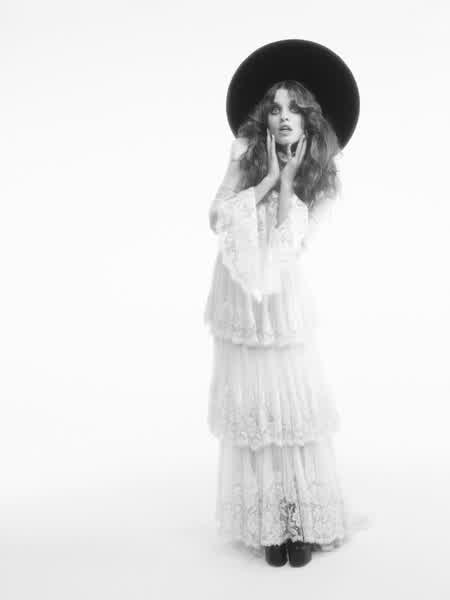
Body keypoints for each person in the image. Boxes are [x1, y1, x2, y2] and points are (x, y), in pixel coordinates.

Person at [204, 41, 372, 568]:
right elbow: (216, 217)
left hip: (281, 298)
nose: (282, 117)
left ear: (309, 118)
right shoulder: (245, 153)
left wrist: (290, 185)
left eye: (293, 108)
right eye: (274, 107)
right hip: (238, 294)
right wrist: (268, 181)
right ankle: (268, 526)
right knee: (255, 408)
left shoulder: (326, 180)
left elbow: (288, 247)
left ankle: (299, 521)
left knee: (290, 408)